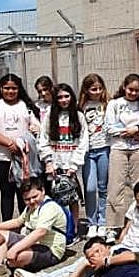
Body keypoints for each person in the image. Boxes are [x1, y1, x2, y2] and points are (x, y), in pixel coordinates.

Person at [0, 74, 41, 223]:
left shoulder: (26, 106)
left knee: (25, 193)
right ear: (1, 88)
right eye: (7, 88)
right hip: (2, 158)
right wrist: (9, 144)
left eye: (14, 88)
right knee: (6, 193)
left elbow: (37, 126)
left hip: (24, 160)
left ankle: (26, 225)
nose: (10, 91)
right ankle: (7, 225)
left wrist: (34, 130)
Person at [0, 176, 69, 277]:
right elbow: (18, 221)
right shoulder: (30, 207)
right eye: (27, 199)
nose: (32, 201)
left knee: (18, 256)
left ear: (42, 191)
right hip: (33, 242)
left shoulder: (50, 207)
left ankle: (11, 262)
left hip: (50, 249)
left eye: (35, 196)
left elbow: (40, 232)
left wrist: (15, 248)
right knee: (0, 235)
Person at [104, 73, 139, 242]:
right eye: (130, 89)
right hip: (119, 148)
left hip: (138, 149)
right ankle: (112, 226)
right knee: (115, 187)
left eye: (137, 90)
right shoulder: (115, 104)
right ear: (124, 87)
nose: (133, 93)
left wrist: (137, 129)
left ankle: (136, 223)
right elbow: (109, 127)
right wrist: (130, 131)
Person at [41, 83, 86, 233]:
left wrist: (74, 165)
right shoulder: (50, 115)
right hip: (54, 165)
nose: (63, 100)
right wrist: (48, 161)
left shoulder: (79, 116)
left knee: (72, 199)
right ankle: (59, 230)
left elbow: (83, 142)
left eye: (66, 96)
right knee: (56, 199)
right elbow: (44, 139)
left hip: (70, 165)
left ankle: (73, 229)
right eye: (59, 97)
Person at [79, 73, 111, 239]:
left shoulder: (108, 104)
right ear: (86, 90)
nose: (97, 92)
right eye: (93, 89)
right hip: (88, 151)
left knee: (103, 187)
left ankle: (103, 221)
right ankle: (92, 222)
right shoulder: (81, 106)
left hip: (104, 148)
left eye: (99, 88)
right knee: (90, 188)